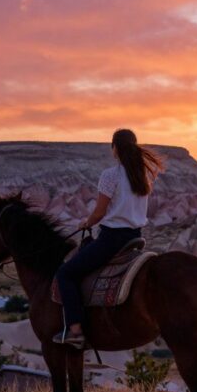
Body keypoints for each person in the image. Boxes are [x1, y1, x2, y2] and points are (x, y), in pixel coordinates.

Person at [54, 129, 163, 349]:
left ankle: (75, 332)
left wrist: (87, 223)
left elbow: (99, 212)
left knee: (65, 274)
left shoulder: (111, 175)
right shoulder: (144, 174)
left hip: (112, 239)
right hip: (134, 237)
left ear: (115, 148)